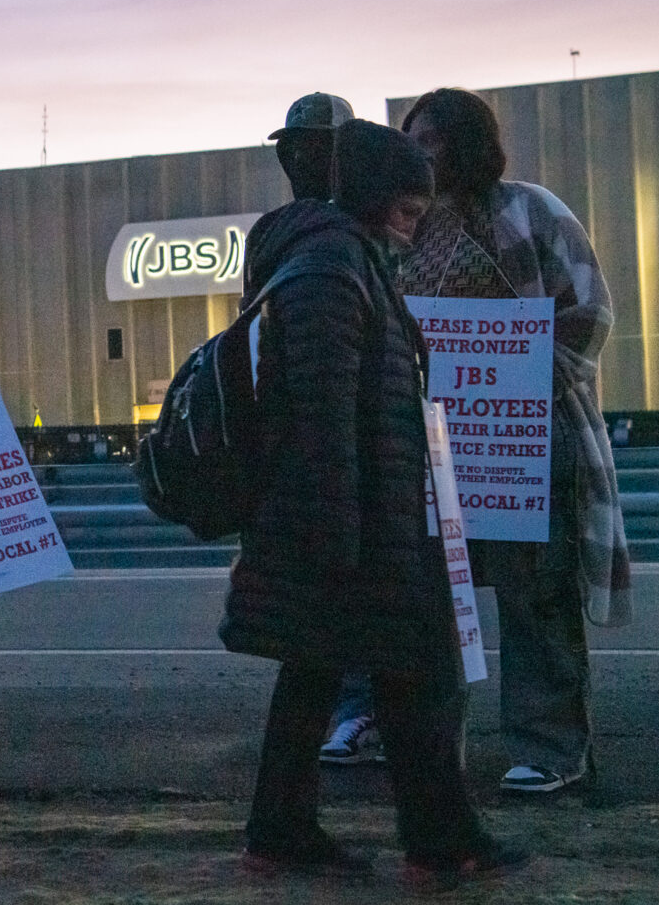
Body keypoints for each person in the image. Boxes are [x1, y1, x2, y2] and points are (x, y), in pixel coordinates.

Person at [222, 120, 527, 891]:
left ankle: (283, 832)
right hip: (352, 521)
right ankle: (439, 841)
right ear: (366, 199)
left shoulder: (339, 257)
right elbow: (324, 414)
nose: (412, 230)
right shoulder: (331, 267)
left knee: (316, 673)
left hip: (352, 515)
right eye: (404, 213)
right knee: (417, 676)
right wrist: (342, 536)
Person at [398, 87, 632, 793]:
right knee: (430, 599)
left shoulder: (532, 209)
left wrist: (520, 373)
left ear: (469, 142)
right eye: (413, 141)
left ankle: (551, 747)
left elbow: (588, 309)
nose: (421, 153)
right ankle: (432, 748)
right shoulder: (404, 228)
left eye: (433, 139)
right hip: (433, 441)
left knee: (538, 594)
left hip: (526, 432)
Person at [263, 94, 388, 767]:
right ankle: (348, 719)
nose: (304, 158)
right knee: (332, 606)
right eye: (295, 147)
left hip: (348, 446)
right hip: (332, 449)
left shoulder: (328, 231)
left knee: (339, 608)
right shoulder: (308, 236)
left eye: (319, 146)